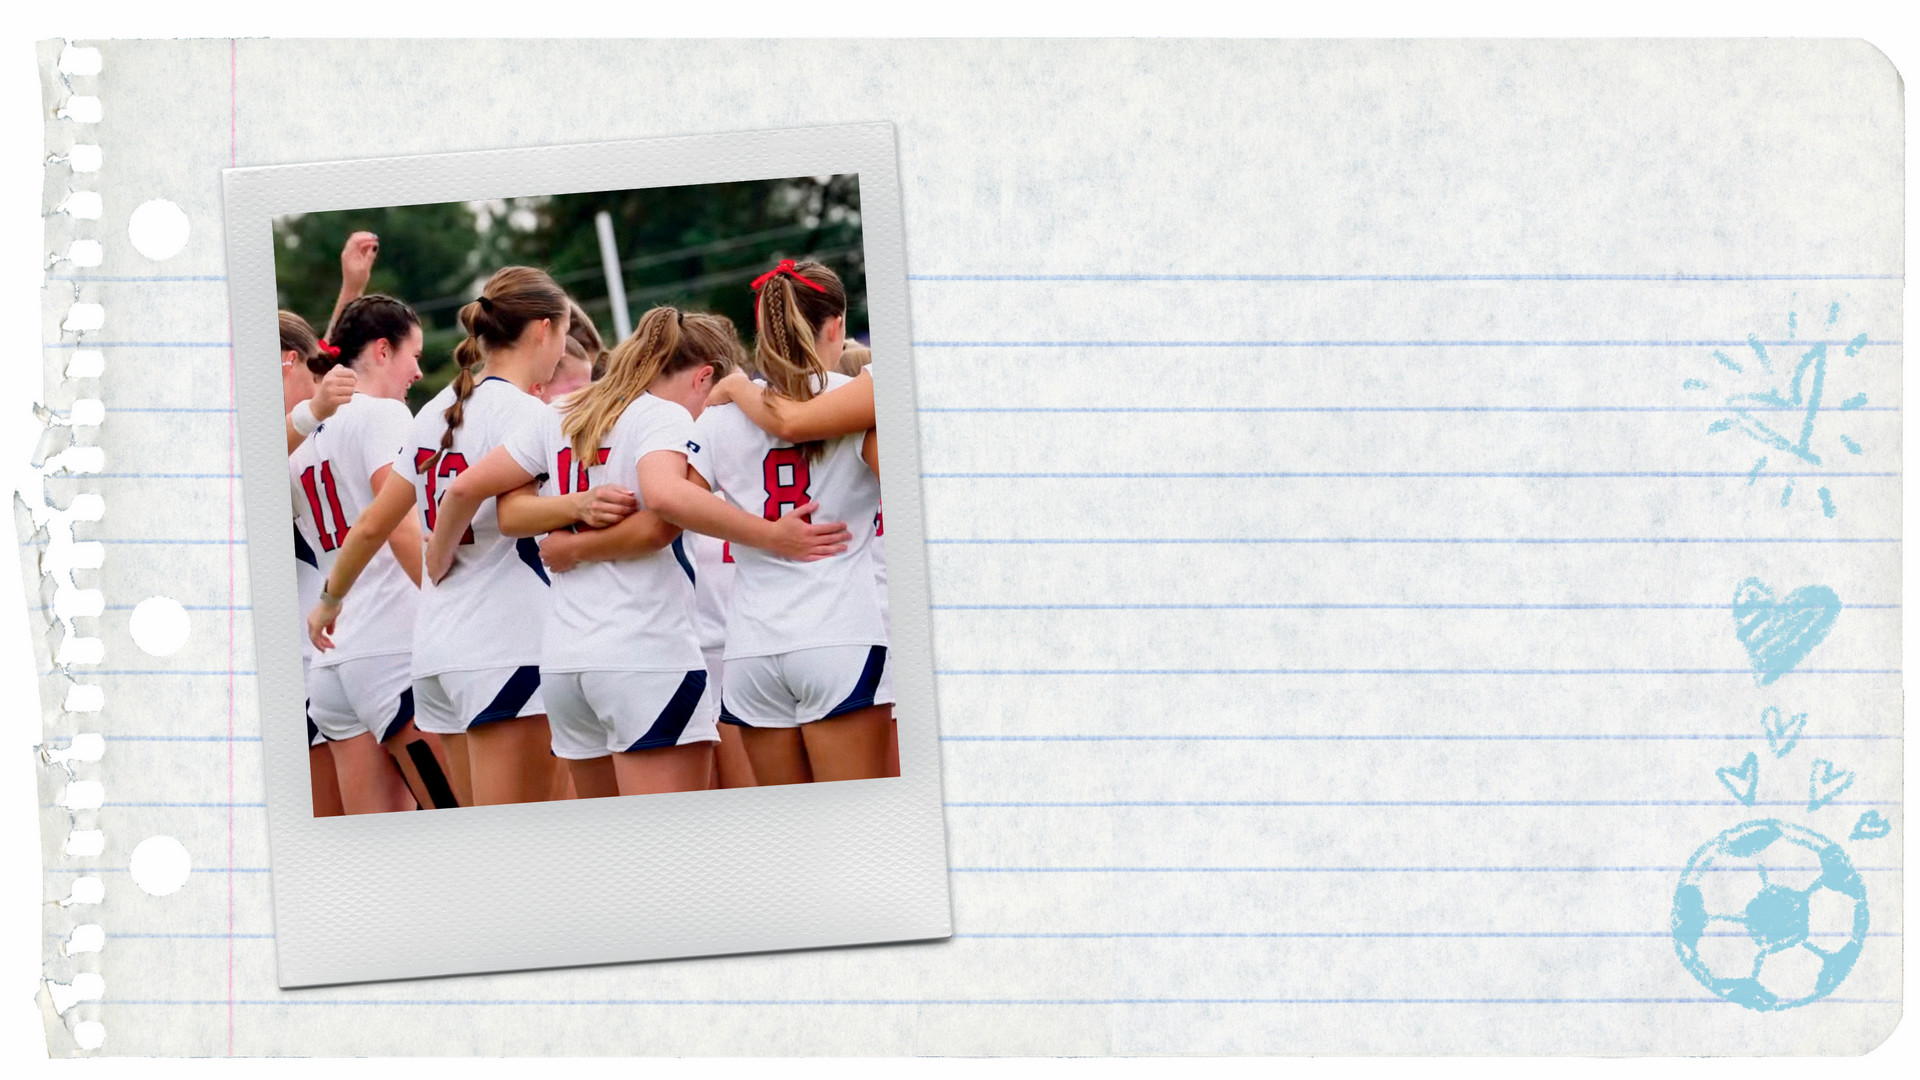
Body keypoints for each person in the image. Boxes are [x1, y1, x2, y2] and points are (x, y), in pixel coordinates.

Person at [440, 305, 850, 799]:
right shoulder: (665, 416)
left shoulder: (566, 411)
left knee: (612, 855)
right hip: (644, 656)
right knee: (669, 855)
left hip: (568, 665)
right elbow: (662, 514)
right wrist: (770, 535)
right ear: (703, 377)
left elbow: (495, 503)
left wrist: (570, 537)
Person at [391, 267, 632, 807]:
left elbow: (382, 521)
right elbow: (475, 499)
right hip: (506, 645)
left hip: (439, 648)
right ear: (544, 329)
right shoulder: (528, 412)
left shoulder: (433, 409)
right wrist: (437, 551)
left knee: (488, 855)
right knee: (528, 856)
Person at [688, 260, 890, 784]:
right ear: (836, 326)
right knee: (856, 835)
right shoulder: (857, 400)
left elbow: (678, 505)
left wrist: (757, 531)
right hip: (839, 634)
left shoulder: (720, 416)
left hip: (751, 649)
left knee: (792, 845)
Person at [296, 294, 447, 813]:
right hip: (391, 653)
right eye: (415, 355)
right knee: (456, 817)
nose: (419, 372)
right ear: (382, 351)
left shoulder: (305, 432)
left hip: (334, 663)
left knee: (374, 855)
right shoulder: (384, 416)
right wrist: (445, 610)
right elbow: (398, 529)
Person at [280, 310, 352, 816]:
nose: (318, 386)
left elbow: (322, 350)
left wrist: (350, 292)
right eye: (310, 374)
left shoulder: (316, 437)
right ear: (287, 363)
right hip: (301, 663)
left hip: (329, 650)